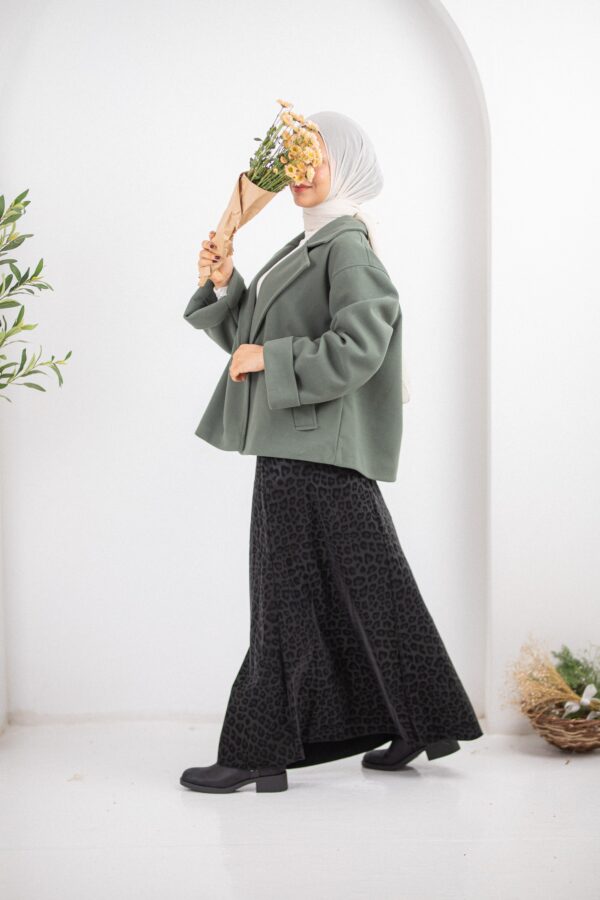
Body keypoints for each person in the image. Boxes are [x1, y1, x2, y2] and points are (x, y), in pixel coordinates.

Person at [180, 110, 483, 794]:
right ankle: (424, 720)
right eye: (295, 156)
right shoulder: (310, 243)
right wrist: (226, 282)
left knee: (282, 600)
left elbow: (364, 341)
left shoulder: (346, 245)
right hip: (306, 444)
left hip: (309, 448)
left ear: (344, 164)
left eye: (314, 155)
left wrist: (272, 357)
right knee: (373, 591)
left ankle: (258, 750)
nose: (301, 170)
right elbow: (249, 340)